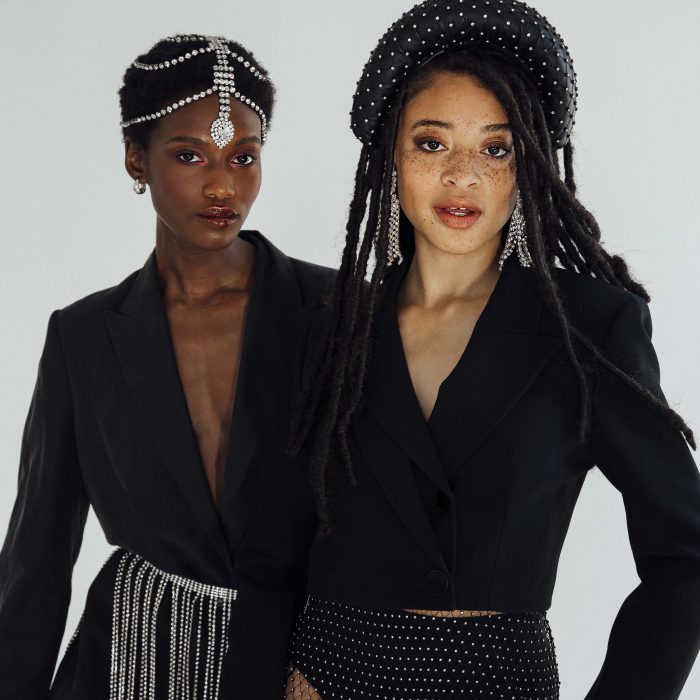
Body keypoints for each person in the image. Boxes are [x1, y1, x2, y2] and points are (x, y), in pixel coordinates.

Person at [281, 1, 700, 698]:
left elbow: (686, 555)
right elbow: (278, 540)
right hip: (322, 678)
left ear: (528, 164)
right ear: (391, 153)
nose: (463, 176)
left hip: (493, 679)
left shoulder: (590, 328)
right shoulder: (332, 327)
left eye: (495, 149)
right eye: (432, 143)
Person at [0, 34, 333, 699]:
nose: (222, 185)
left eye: (244, 157)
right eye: (189, 155)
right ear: (136, 158)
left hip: (297, 666)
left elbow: (389, 523)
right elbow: (38, 555)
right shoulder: (83, 338)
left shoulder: (339, 310)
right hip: (128, 664)